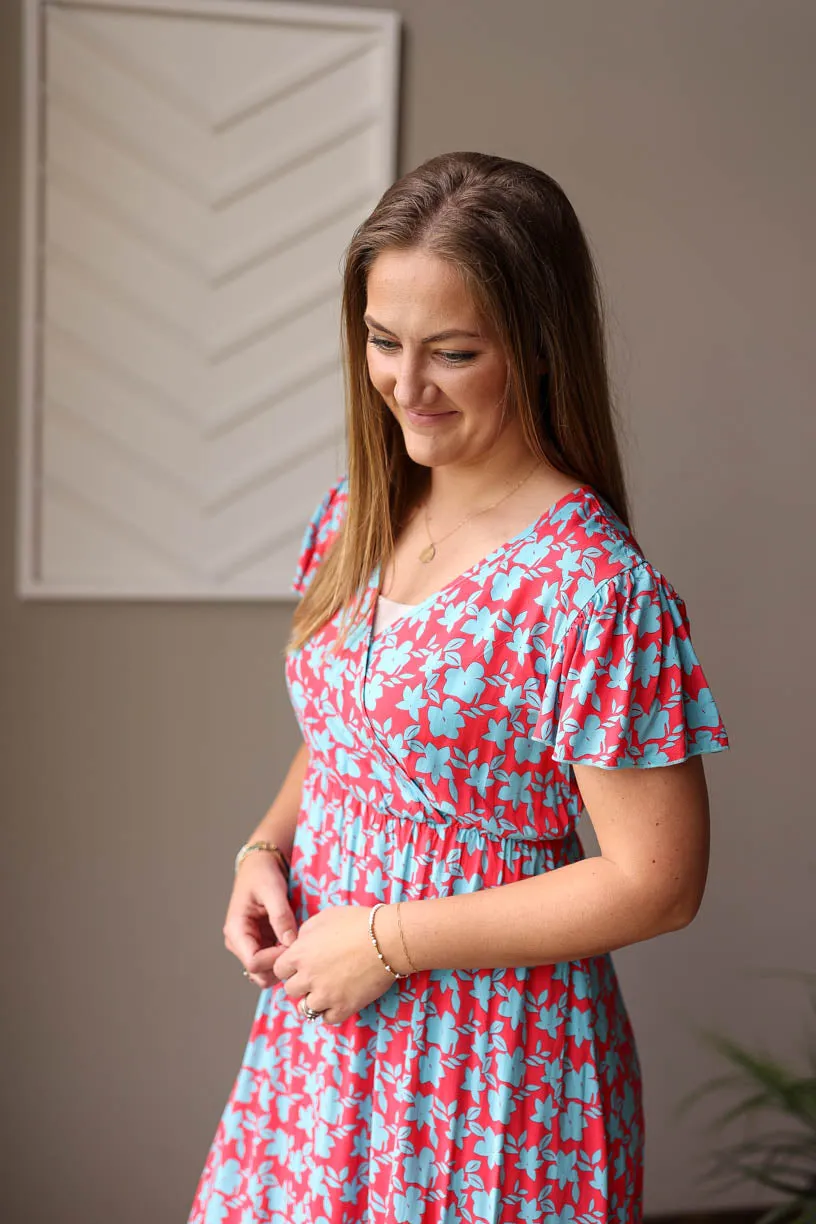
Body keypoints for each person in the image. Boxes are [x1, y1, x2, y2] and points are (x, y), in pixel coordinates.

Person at [188, 151, 728, 1224]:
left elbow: (658, 881)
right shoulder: (357, 514)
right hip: (323, 1037)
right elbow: (355, 734)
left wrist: (383, 940)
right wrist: (264, 849)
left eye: (453, 353)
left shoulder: (590, 588)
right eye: (383, 342)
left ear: (534, 347)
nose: (405, 384)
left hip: (491, 1076)